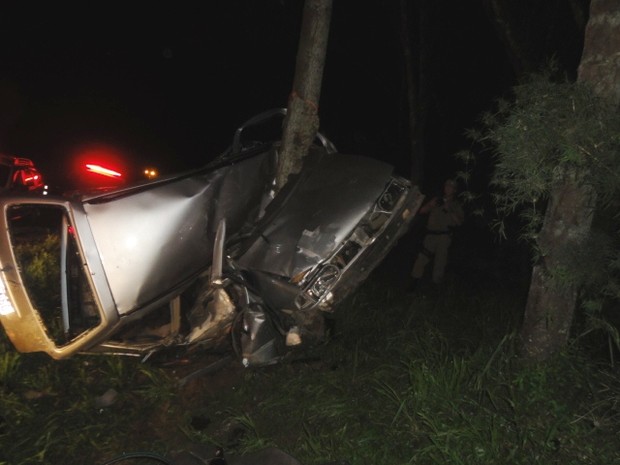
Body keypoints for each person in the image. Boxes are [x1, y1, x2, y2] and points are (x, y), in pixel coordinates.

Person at [409, 178, 464, 290]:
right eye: (446, 186)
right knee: (421, 259)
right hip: (431, 235)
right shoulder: (437, 200)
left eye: (451, 187)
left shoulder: (456, 205)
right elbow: (422, 211)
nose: (448, 188)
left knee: (440, 262)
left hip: (444, 237)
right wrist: (430, 205)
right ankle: (413, 284)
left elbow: (459, 222)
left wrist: (449, 210)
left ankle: (436, 286)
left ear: (454, 190)